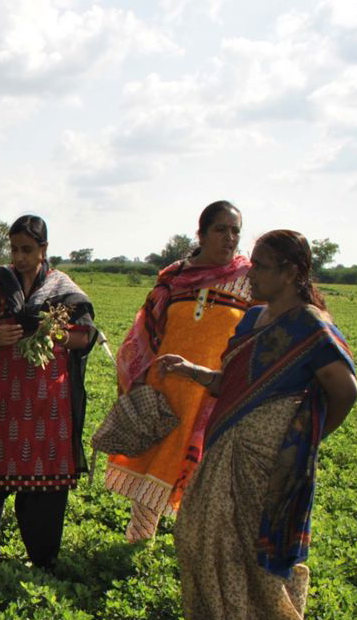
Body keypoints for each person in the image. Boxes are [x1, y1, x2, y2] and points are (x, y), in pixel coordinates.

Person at [162, 229, 357, 620]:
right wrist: (191, 370)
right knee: (195, 531)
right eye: (252, 265)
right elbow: (229, 381)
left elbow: (344, 390)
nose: (251, 275)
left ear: (291, 273)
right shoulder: (252, 320)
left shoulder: (310, 325)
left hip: (271, 456)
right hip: (227, 442)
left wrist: (308, 440)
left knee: (253, 547)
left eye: (262, 267)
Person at [105, 201, 253, 542]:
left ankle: (195, 551)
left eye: (235, 231)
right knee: (154, 467)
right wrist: (139, 377)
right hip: (167, 387)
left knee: (204, 474)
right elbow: (148, 330)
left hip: (213, 392)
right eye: (220, 229)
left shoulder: (249, 282)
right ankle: (139, 542)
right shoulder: (175, 279)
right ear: (200, 234)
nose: (229, 238)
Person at [0, 215, 96, 570]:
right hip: (3, 395)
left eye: (27, 250)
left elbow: (85, 337)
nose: (19, 257)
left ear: (44, 250)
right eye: (15, 249)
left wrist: (54, 334)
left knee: (44, 481)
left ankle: (42, 555)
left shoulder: (64, 290)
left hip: (48, 399)